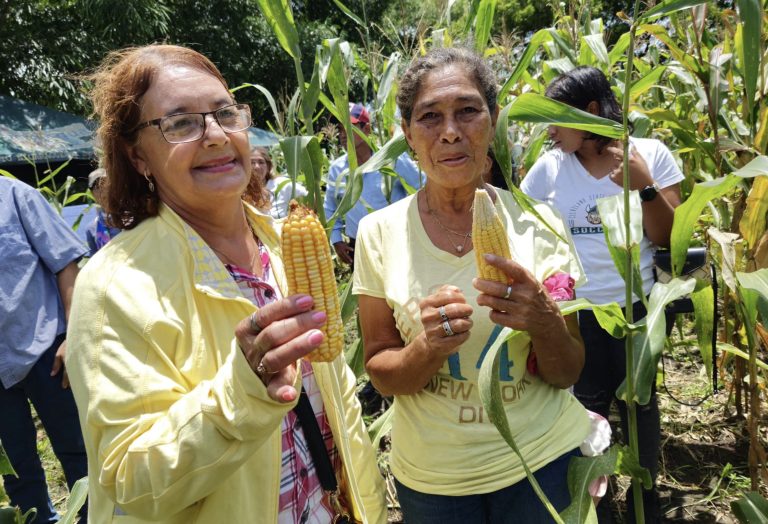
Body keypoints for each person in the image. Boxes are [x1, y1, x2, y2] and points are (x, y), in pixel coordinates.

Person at [65, 44, 386, 523]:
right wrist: (242, 389)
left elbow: (336, 399)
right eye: (180, 123)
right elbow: (132, 480)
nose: (215, 135)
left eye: (225, 113)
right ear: (138, 158)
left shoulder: (280, 244)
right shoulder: (114, 288)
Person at [353, 47, 591, 523]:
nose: (450, 132)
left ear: (494, 118)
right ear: (407, 134)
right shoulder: (378, 232)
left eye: (467, 111)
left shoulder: (540, 223)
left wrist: (544, 322)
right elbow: (381, 369)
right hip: (436, 480)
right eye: (429, 117)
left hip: (542, 463)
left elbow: (567, 372)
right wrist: (427, 348)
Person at [520, 65, 684, 523]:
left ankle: (644, 501)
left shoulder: (647, 155)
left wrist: (644, 186)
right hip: (579, 314)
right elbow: (524, 225)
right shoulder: (548, 169)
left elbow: (670, 238)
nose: (549, 130)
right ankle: (596, 504)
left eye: (557, 117)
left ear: (590, 112)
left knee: (641, 407)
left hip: (640, 311)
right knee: (587, 413)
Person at [0, 176, 88, 523]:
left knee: (77, 449)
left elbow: (66, 265)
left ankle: (93, 517)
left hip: (45, 348)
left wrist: (74, 336)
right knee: (16, 467)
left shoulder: (16, 196)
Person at [323, 102, 423, 265]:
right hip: (358, 246)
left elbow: (422, 187)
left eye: (349, 127)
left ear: (367, 129)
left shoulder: (393, 158)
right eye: (340, 129)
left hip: (397, 243)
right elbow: (330, 208)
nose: (342, 134)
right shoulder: (337, 169)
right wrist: (336, 239)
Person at [248, 145, 308, 219]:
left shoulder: (282, 184)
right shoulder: (240, 190)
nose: (257, 166)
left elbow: (310, 197)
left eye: (261, 162)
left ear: (268, 167)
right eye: (252, 162)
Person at [84, 167, 121, 256]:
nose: (102, 190)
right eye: (96, 187)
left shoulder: (130, 219)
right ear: (92, 193)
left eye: (104, 183)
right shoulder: (91, 228)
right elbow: (95, 260)